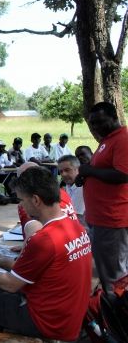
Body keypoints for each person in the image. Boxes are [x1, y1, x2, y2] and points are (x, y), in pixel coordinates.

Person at [0, 168, 92, 343]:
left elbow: (11, 284)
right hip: (69, 315)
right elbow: (36, 270)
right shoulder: (74, 227)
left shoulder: (45, 239)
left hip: (49, 322)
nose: (20, 205)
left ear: (35, 200)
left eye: (21, 200)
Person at [78, 101, 128, 290]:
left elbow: (123, 174)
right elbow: (102, 170)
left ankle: (116, 315)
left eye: (100, 121)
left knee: (114, 276)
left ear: (114, 117)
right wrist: (86, 175)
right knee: (106, 270)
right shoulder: (108, 140)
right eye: (93, 123)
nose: (96, 127)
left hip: (112, 219)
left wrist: (90, 171)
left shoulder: (122, 139)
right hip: (100, 218)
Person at [58, 155, 86, 230]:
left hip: (82, 232)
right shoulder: (68, 186)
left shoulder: (81, 188)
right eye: (61, 171)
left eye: (67, 170)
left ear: (78, 170)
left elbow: (75, 218)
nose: (63, 174)